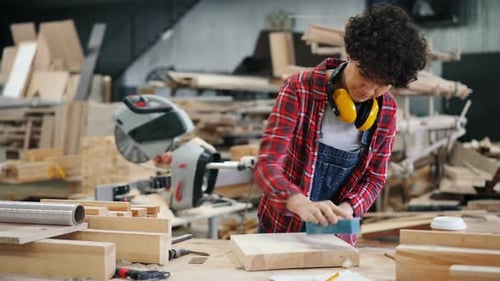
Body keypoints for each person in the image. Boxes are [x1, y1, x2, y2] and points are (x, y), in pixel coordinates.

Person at [253, 4, 428, 245]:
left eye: (382, 84)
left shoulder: (386, 110)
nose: (368, 90)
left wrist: (349, 208)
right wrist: (297, 202)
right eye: (364, 76)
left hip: (336, 238)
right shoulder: (300, 89)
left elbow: (374, 177)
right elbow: (267, 164)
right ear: (350, 54)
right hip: (281, 231)